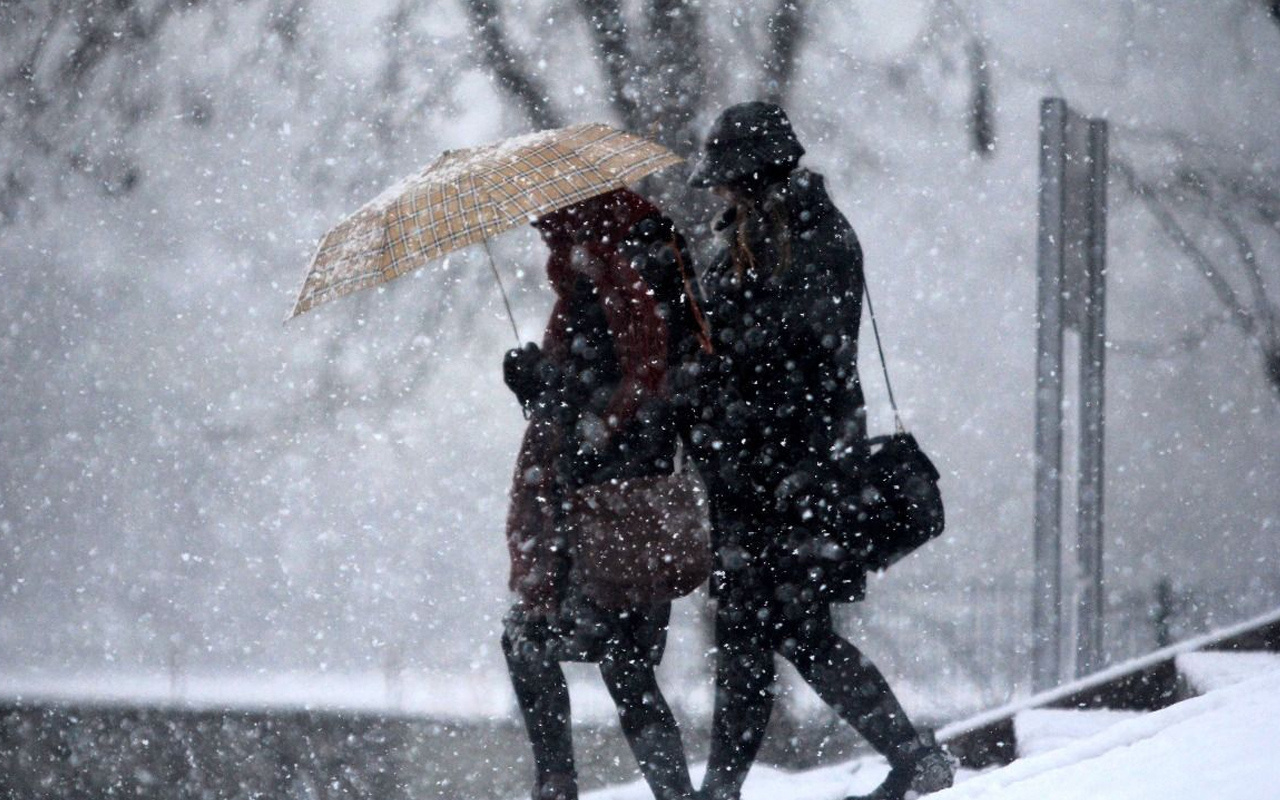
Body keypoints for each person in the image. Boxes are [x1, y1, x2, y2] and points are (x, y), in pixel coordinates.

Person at [683, 102, 956, 800]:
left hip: (792, 471)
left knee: (781, 628)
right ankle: (728, 786)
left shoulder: (816, 240)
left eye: (725, 179)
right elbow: (743, 343)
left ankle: (906, 757)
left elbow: (814, 361)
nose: (715, 191)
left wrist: (727, 372)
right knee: (763, 632)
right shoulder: (747, 241)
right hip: (749, 471)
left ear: (751, 175)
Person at [500, 188, 703, 800]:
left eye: (551, 227)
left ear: (578, 221)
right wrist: (535, 381)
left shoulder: (616, 282)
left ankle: (558, 784)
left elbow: (630, 388)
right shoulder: (604, 283)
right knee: (617, 661)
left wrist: (562, 397)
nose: (545, 242)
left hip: (610, 509)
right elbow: (598, 388)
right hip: (616, 505)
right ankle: (652, 791)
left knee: (549, 644)